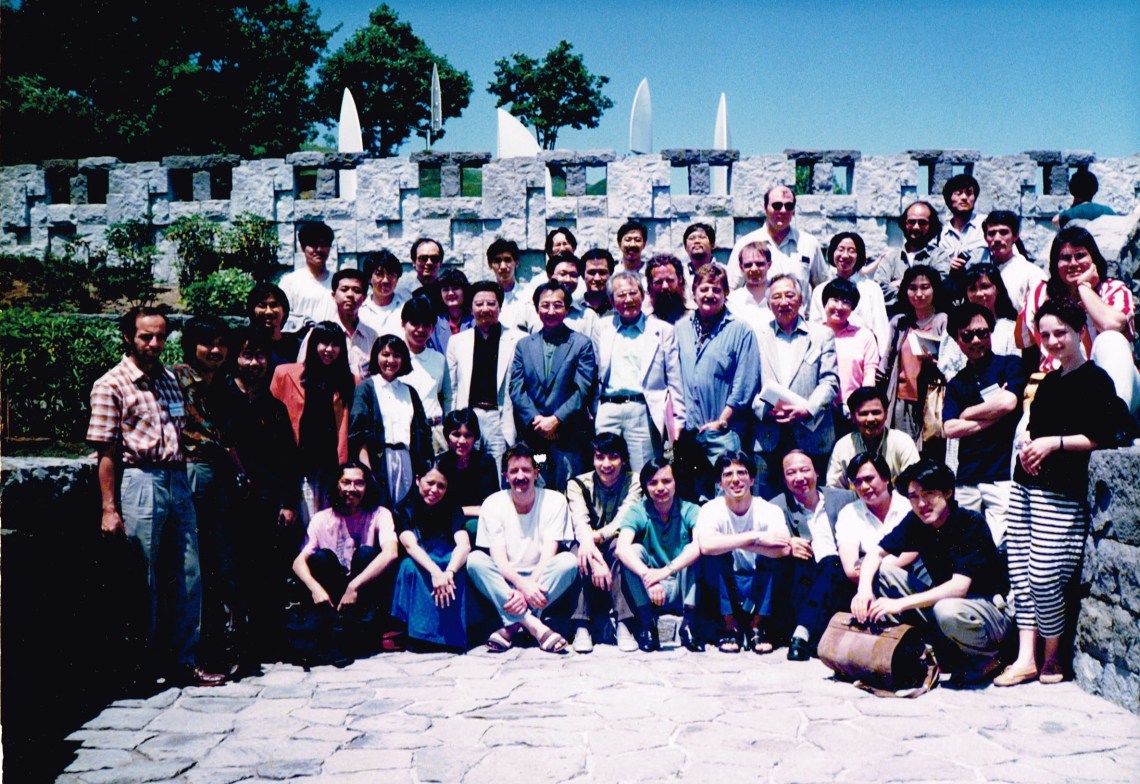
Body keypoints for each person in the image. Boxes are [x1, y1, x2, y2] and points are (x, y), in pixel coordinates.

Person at [87, 307, 225, 687]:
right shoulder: (112, 384)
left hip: (176, 477)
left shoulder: (167, 380)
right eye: (146, 337)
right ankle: (138, 667)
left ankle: (184, 660)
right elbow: (106, 451)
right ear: (128, 337)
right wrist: (109, 507)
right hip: (140, 480)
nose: (154, 344)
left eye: (160, 337)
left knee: (187, 573)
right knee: (141, 576)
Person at [997, 298, 1125, 687]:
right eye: (1046, 334)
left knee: (1045, 575)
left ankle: (1052, 657)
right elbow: (1035, 431)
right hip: (1027, 485)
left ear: (1078, 332)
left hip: (1061, 492)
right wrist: (1033, 451)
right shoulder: (1049, 381)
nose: (1052, 341)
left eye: (1060, 333)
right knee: (1020, 570)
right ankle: (1025, 657)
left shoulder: (1095, 379)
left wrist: (1054, 444)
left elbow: (1107, 434)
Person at [852, 460, 1012, 686]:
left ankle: (989, 657)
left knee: (945, 609)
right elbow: (875, 554)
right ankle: (928, 648)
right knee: (884, 572)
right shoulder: (917, 521)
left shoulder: (970, 523)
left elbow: (959, 587)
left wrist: (900, 603)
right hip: (945, 607)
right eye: (913, 497)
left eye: (929, 494)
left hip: (987, 612)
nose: (921, 503)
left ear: (947, 492)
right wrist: (863, 590)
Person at [216, 328, 301, 661]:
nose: (254, 363)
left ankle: (266, 642)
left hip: (267, 505)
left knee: (267, 572)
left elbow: (288, 460)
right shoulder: (222, 399)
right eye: (247, 355)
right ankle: (233, 642)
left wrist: (289, 503)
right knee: (231, 573)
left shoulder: (274, 407)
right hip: (229, 504)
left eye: (260, 355)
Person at [171, 317, 242, 674]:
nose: (215, 351)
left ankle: (221, 647)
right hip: (192, 470)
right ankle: (190, 655)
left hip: (221, 474)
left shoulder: (225, 385)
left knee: (221, 560)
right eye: (206, 343)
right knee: (192, 563)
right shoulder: (176, 378)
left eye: (220, 343)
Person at [468, 444, 578, 653]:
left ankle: (511, 626)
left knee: (568, 562)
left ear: (536, 473)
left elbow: (549, 553)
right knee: (475, 560)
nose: (521, 476)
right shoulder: (493, 503)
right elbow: (498, 559)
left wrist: (528, 587)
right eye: (514, 471)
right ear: (505, 476)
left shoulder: (555, 500)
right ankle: (536, 627)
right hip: (506, 579)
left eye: (526, 470)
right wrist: (520, 585)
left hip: (542, 577)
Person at [1017, 226, 1138, 413]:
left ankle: (1113, 419)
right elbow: (1027, 349)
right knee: (1023, 437)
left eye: (1080, 256)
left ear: (1094, 260)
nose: (1073, 263)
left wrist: (1084, 287)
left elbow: (1111, 325)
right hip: (1057, 383)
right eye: (1065, 258)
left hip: (1109, 386)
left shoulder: (1114, 290)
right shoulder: (1040, 294)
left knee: (1110, 339)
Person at [292, 462, 399, 664]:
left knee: (367, 554)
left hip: (362, 595)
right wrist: (315, 589)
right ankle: (336, 635)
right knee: (321, 558)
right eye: (346, 482)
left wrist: (354, 586)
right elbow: (298, 562)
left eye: (359, 483)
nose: (352, 489)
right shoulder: (321, 519)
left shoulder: (379, 514)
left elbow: (391, 553)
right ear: (337, 485)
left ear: (367, 487)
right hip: (332, 597)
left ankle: (352, 635)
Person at [942, 303, 1026, 546]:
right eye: (967, 335)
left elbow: (1009, 403)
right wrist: (993, 415)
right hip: (967, 476)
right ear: (957, 340)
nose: (976, 340)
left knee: (997, 543)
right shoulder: (957, 383)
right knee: (966, 544)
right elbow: (949, 429)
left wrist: (966, 413)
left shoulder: (1009, 365)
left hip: (1001, 475)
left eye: (983, 332)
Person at [695, 451, 792, 654]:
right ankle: (730, 626)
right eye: (728, 474)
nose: (736, 479)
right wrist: (755, 536)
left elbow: (784, 547)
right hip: (726, 582)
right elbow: (706, 546)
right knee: (716, 555)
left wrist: (736, 542)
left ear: (752, 479)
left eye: (742, 473)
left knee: (772, 558)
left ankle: (757, 626)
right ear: (719, 484)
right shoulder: (710, 509)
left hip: (759, 581)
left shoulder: (769, 509)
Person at [751, 274, 839, 498]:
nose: (783, 302)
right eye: (777, 297)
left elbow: (830, 381)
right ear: (769, 304)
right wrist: (763, 410)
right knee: (769, 502)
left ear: (801, 301)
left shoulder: (821, 335)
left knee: (814, 499)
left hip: (812, 431)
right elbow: (748, 385)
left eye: (790, 295)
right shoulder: (757, 336)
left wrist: (808, 409)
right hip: (770, 434)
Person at [592, 270, 685, 477]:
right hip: (608, 408)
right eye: (621, 295)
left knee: (642, 471)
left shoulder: (662, 330)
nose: (628, 300)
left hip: (642, 410)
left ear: (643, 296)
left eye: (633, 293)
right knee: (606, 470)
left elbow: (674, 379)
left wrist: (678, 420)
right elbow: (595, 370)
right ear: (611, 300)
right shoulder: (601, 328)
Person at [509, 280, 598, 491]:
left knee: (569, 488)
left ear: (567, 309)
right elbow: (517, 389)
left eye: (557, 305)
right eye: (545, 305)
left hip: (568, 438)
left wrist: (557, 419)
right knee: (539, 486)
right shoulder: (524, 346)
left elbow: (583, 389)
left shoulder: (580, 344)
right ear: (536, 308)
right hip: (536, 438)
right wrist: (537, 421)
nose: (551, 310)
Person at [769, 451, 858, 661]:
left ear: (817, 472)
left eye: (804, 470)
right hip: (804, 583)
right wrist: (788, 544)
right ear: (784, 479)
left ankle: (803, 633)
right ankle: (811, 633)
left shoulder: (845, 499)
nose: (799, 477)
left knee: (832, 562)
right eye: (791, 472)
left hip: (842, 581)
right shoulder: (776, 507)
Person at [613, 457, 704, 652]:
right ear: (645, 486)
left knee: (691, 551)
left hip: (682, 585)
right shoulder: (638, 511)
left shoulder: (690, 510)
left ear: (675, 483)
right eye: (653, 483)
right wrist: (649, 577)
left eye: (666, 481)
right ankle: (648, 624)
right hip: (651, 590)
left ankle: (688, 624)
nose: (660, 488)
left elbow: (699, 546)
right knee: (633, 551)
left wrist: (665, 572)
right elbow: (621, 547)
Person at [271, 320, 354, 523]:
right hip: (297, 463)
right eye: (323, 343)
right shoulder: (285, 374)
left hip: (330, 465)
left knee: (328, 522)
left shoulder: (349, 381)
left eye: (335, 344)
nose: (329, 350)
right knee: (303, 522)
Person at [567, 433, 644, 653]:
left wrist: (596, 538)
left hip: (613, 539)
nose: (606, 464)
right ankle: (581, 624)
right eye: (600, 457)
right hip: (586, 543)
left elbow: (623, 519)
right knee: (577, 556)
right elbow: (579, 522)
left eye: (613, 457)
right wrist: (591, 548)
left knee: (621, 549)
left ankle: (624, 624)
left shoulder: (634, 481)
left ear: (624, 460)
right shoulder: (577, 483)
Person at [391, 457, 471, 651]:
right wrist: (436, 573)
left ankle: (451, 636)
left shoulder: (453, 508)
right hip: (421, 558)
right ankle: (422, 635)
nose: (435, 490)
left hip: (446, 558)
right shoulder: (403, 509)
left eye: (441, 486)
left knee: (458, 567)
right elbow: (410, 546)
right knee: (410, 568)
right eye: (430, 483)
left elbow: (464, 544)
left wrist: (449, 572)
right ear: (418, 480)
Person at [349, 334, 433, 509]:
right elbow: (359, 435)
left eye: (396, 355)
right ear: (376, 357)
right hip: (379, 460)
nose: (391, 360)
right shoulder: (366, 389)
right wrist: (367, 471)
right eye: (385, 354)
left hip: (406, 460)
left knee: (405, 512)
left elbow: (423, 433)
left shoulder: (409, 391)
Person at [447, 281, 523, 470]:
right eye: (479, 304)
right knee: (469, 470)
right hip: (469, 418)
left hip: (499, 417)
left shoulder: (518, 339)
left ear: (500, 306)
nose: (485, 309)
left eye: (491, 303)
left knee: (499, 471)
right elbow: (452, 389)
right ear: (471, 308)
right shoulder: (457, 341)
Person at [877, 264, 947, 455]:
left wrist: (936, 363)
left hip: (932, 400)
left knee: (931, 452)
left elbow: (952, 362)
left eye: (925, 287)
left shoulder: (942, 321)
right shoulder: (900, 323)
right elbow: (886, 364)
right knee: (903, 451)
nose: (919, 293)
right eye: (913, 288)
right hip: (902, 399)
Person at [726, 184, 828, 298]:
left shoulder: (809, 244)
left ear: (793, 211)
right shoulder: (745, 244)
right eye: (777, 205)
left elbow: (822, 288)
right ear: (765, 208)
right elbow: (731, 289)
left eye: (789, 206)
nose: (783, 211)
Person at [834, 452, 914, 586]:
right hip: (869, 584)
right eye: (857, 482)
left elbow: (912, 551)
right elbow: (851, 569)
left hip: (912, 576)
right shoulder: (849, 513)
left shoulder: (908, 506)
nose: (864, 487)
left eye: (869, 479)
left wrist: (872, 565)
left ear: (886, 478)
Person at [938, 262, 1021, 378]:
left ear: (997, 289)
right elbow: (947, 369)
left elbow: (1015, 367)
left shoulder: (1012, 329)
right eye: (972, 289)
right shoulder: (955, 327)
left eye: (985, 287)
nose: (978, 294)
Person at [826, 387, 920, 490]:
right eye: (863, 414)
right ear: (852, 417)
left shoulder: (903, 442)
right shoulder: (842, 447)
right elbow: (833, 491)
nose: (870, 419)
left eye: (876, 412)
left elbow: (915, 484)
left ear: (886, 414)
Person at [811, 231, 890, 351]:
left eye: (852, 251)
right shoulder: (820, 290)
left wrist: (882, 364)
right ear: (832, 252)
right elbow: (814, 328)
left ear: (859, 255)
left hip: (863, 355)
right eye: (841, 249)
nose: (845, 255)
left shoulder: (872, 289)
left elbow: (881, 328)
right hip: (829, 354)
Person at [819, 278, 879, 431]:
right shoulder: (812, 333)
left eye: (846, 301)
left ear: (852, 307)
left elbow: (869, 377)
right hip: (818, 409)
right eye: (835, 300)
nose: (839, 306)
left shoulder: (864, 336)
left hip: (851, 411)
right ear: (825, 302)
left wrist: (861, 408)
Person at [866, 202, 949, 313]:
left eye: (922, 222)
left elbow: (938, 287)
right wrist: (920, 289)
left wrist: (900, 285)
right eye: (911, 222)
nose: (916, 227)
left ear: (931, 226)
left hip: (929, 324)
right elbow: (879, 290)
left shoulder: (939, 257)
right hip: (896, 323)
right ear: (904, 224)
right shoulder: (890, 258)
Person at [297, 269, 378, 381]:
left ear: (364, 298)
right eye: (344, 290)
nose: (350, 295)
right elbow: (300, 371)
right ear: (333, 295)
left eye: (356, 290)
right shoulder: (317, 333)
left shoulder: (372, 336)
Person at [399, 296, 450, 453]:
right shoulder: (393, 357)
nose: (420, 330)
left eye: (426, 325)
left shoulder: (439, 359)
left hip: (434, 432)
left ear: (433, 328)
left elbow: (447, 398)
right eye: (414, 323)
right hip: (402, 432)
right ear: (403, 324)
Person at [971, 211, 1047, 315]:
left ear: (1015, 236)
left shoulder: (1032, 274)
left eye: (1003, 232)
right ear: (985, 238)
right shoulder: (981, 273)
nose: (997, 239)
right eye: (992, 233)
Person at [437, 409, 500, 524]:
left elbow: (492, 505)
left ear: (475, 437)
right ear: (447, 436)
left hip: (478, 521)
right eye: (456, 435)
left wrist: (459, 511)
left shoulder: (486, 463)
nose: (462, 441)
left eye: (468, 435)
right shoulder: (440, 465)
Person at [278, 221, 337, 324]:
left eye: (323, 245)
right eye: (313, 245)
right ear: (302, 247)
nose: (318, 249)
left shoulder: (338, 282)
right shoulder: (290, 282)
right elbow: (282, 319)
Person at [246, 282, 301, 374]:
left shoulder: (296, 346)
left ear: (284, 311)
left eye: (274, 305)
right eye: (262, 306)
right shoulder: (245, 346)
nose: (269, 311)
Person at [938, 174, 986, 273]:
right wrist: (947, 266)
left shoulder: (987, 224)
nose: (964, 197)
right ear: (949, 199)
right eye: (958, 193)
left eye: (969, 193)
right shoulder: (940, 233)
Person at [358, 250, 409, 337]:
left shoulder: (406, 309)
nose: (385, 280)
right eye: (379, 274)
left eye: (391, 274)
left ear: (397, 278)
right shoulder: (359, 311)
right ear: (369, 278)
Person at [725, 241, 772, 328]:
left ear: (769, 265)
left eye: (759, 264)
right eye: (748, 265)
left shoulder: (781, 298)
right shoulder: (732, 302)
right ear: (741, 267)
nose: (754, 269)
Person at [485, 237, 529, 331]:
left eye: (508, 260)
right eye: (497, 261)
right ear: (490, 265)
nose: (503, 266)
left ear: (516, 263)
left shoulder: (529, 296)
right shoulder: (485, 299)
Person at [428, 268, 473, 357]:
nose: (450, 293)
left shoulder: (475, 322)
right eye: (445, 289)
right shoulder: (434, 324)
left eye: (455, 288)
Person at [644, 254, 689, 324]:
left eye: (669, 280)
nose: (665, 286)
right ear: (650, 284)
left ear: (680, 279)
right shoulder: (645, 321)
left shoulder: (695, 316)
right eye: (658, 282)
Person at [580, 248, 616, 316]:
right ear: (582, 275)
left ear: (610, 274)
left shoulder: (619, 309)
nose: (597, 278)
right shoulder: (573, 309)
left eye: (602, 272)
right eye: (592, 272)